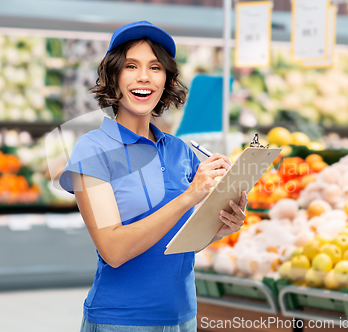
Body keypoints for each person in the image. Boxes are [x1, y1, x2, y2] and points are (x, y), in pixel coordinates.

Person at [59, 21, 248, 332]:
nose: (143, 76)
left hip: (183, 318)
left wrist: (222, 226)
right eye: (131, 65)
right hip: (120, 321)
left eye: (155, 67)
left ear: (166, 81)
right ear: (114, 77)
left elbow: (180, 242)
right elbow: (113, 250)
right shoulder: (91, 150)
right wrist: (190, 195)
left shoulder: (180, 151)